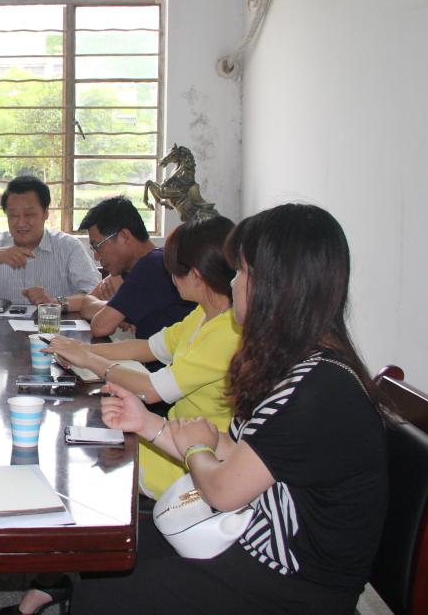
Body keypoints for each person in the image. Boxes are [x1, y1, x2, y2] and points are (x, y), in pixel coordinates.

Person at [68, 204, 388, 614]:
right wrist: (145, 423)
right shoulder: (292, 364)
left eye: (242, 272)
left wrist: (196, 447)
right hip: (246, 534)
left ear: (276, 285)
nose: (232, 282)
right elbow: (241, 455)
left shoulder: (320, 388)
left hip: (292, 580)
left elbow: (221, 490)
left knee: (105, 595)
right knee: (101, 553)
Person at [47, 215, 240, 498]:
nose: (171, 278)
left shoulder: (227, 333)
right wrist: (79, 350)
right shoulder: (204, 312)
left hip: (197, 459)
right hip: (173, 437)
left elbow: (152, 390)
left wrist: (89, 360)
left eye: (174, 271)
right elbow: (147, 347)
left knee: (87, 471)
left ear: (197, 275)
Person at [0, 176, 101, 307]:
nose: (21, 223)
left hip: (54, 325)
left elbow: (94, 295)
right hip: (2, 326)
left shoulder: (69, 247)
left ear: (45, 213)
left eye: (29, 215)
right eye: (13, 215)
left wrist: (54, 302)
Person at [76, 196, 194, 339]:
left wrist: (116, 312)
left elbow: (100, 327)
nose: (96, 256)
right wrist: (117, 310)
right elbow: (86, 305)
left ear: (124, 236)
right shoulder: (133, 267)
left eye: (97, 246)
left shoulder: (152, 266)